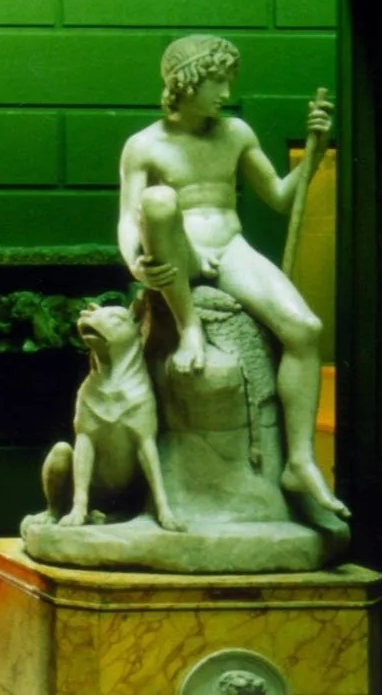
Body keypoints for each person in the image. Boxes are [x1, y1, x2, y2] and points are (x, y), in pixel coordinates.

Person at [117, 34, 348, 518]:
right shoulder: (144, 146)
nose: (226, 92)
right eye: (217, 82)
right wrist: (134, 260)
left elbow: (280, 197)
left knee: (305, 329)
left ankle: (299, 460)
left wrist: (315, 150)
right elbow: (128, 217)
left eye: (229, 81)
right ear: (187, 82)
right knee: (158, 202)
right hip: (180, 250)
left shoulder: (236, 133)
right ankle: (190, 329)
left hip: (231, 246)